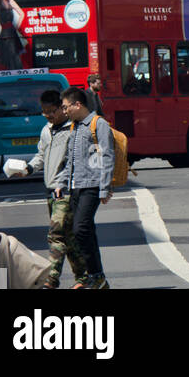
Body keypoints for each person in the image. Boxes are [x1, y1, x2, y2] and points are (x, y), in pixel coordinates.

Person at [14, 89, 87, 289]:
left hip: (66, 191)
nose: (47, 115)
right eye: (44, 111)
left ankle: (51, 279)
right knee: (67, 237)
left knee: (55, 235)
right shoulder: (46, 130)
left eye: (51, 111)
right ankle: (84, 277)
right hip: (50, 191)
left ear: (63, 109)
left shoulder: (74, 129)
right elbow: (41, 155)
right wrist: (27, 168)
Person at [55, 87, 114, 291]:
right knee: (86, 232)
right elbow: (70, 160)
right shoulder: (75, 127)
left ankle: (95, 275)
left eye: (65, 107)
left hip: (92, 186)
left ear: (77, 104)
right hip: (75, 186)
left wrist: (105, 187)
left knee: (80, 229)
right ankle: (98, 278)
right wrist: (62, 182)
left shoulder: (99, 124)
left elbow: (107, 156)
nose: (64, 111)